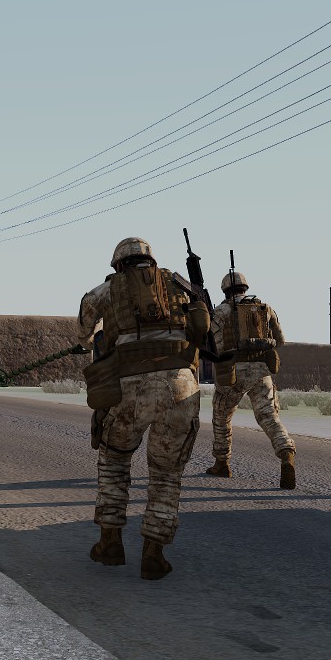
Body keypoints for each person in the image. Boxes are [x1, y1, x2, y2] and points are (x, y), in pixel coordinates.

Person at [77, 237, 209, 580]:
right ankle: (154, 554)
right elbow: (206, 329)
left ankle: (110, 543)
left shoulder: (104, 291)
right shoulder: (181, 285)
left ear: (118, 264)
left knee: (114, 461)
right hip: (180, 385)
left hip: (128, 385)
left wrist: (98, 338)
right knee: (166, 474)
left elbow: (83, 335)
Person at [206, 270, 296, 489]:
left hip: (233, 370)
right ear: (245, 288)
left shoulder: (221, 311)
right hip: (261, 370)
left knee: (221, 416)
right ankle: (286, 452)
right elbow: (280, 340)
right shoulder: (265, 308)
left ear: (225, 291)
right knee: (269, 416)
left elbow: (216, 346)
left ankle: (222, 463)